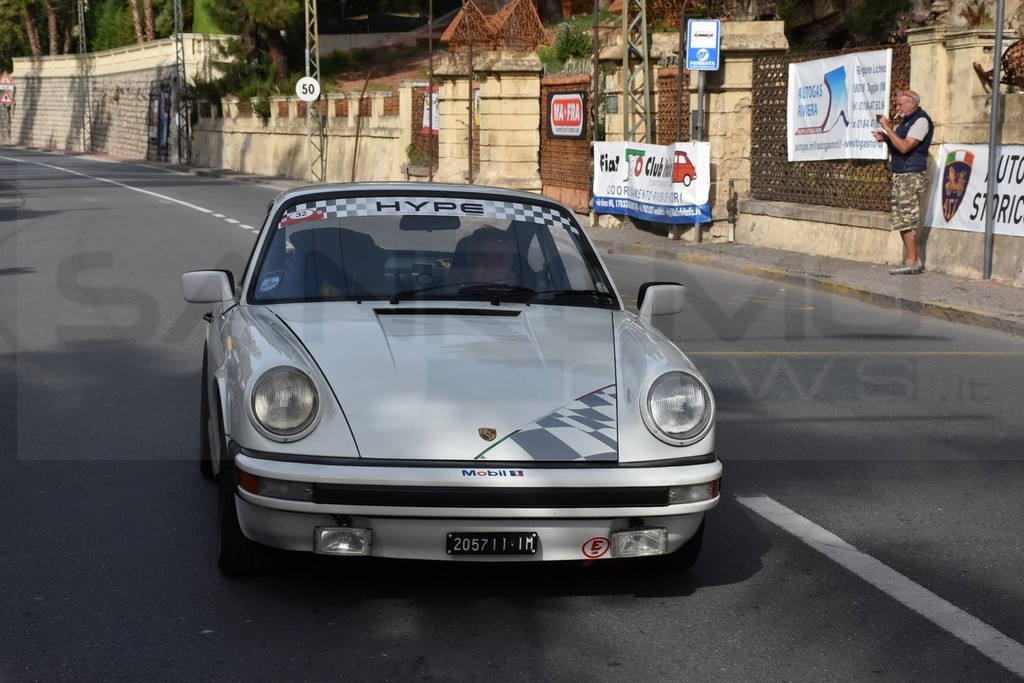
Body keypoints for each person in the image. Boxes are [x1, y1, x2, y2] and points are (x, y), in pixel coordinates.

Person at [872, 89, 934, 275]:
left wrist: (888, 129)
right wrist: (886, 139)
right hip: (901, 173)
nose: (897, 108)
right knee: (900, 218)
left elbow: (905, 147)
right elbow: (898, 146)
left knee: (907, 217)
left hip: (911, 175)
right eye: (896, 104)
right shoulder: (906, 121)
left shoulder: (921, 121)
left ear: (912, 103)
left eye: (900, 104)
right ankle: (910, 259)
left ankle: (913, 261)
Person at [451, 226, 519, 285]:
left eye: (498, 257)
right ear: (471, 260)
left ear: (511, 262)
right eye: (482, 256)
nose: (490, 266)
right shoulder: (451, 290)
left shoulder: (522, 292)